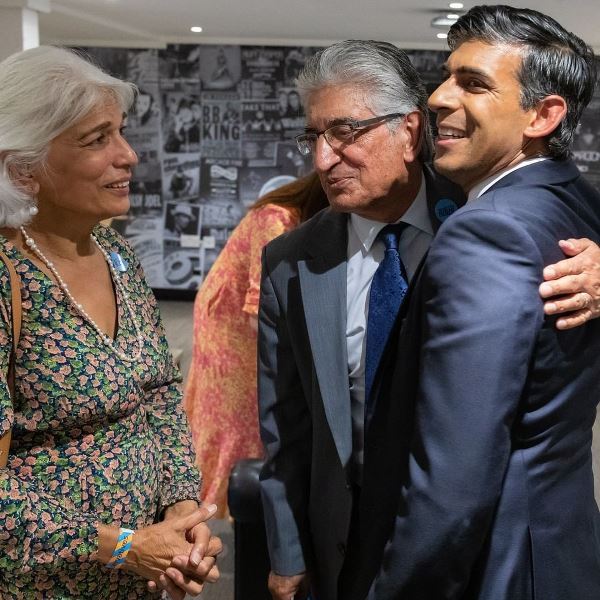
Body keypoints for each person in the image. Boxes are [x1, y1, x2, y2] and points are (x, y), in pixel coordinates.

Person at [257, 39, 600, 600]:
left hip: (482, 547)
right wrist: (288, 551)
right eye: (313, 137)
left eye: (345, 134)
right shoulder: (291, 261)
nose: (323, 160)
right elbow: (284, 423)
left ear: (410, 130)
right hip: (345, 542)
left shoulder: (487, 217)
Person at [0, 46, 220, 599]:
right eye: (97, 140)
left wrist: (181, 511)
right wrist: (122, 545)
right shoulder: (7, 278)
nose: (128, 156)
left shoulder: (114, 252)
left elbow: (160, 393)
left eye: (121, 133)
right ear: (23, 167)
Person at [184, 173, 328, 518]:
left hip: (233, 317)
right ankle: (225, 508)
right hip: (230, 326)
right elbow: (261, 310)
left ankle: (227, 506)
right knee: (236, 419)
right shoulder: (276, 218)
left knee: (238, 418)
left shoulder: (290, 216)